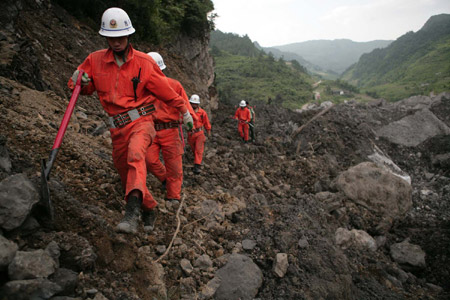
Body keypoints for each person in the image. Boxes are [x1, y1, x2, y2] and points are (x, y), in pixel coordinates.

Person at [67, 8, 193, 234]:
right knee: (126, 173)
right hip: (117, 128)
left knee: (137, 155)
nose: (116, 42)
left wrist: (185, 112)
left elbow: (167, 92)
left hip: (142, 121)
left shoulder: (144, 63)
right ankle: (150, 207)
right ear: (105, 37)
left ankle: (131, 213)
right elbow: (83, 87)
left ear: (129, 35)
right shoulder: (94, 61)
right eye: (112, 38)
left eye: (121, 37)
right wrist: (79, 79)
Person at [145, 52, 197, 221]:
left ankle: (173, 196)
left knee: (174, 164)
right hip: (151, 129)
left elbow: (186, 106)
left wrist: (191, 122)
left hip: (171, 130)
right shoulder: (143, 87)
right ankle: (165, 180)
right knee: (149, 159)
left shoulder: (174, 85)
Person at [188, 94, 211, 174]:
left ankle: (197, 166)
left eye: (195, 103)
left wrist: (208, 132)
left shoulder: (202, 113)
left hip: (200, 133)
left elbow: (206, 123)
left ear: (198, 104)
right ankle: (197, 160)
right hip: (191, 134)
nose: (194, 105)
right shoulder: (187, 112)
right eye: (192, 103)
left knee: (198, 149)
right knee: (194, 149)